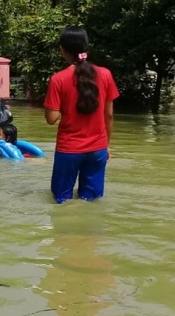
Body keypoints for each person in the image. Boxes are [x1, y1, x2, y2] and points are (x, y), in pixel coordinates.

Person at [44, 26, 119, 203]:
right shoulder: (106, 74)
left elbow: (51, 119)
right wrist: (106, 145)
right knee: (91, 201)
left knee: (62, 201)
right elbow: (109, 115)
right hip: (98, 149)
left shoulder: (58, 79)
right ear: (86, 47)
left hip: (69, 149)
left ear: (63, 49)